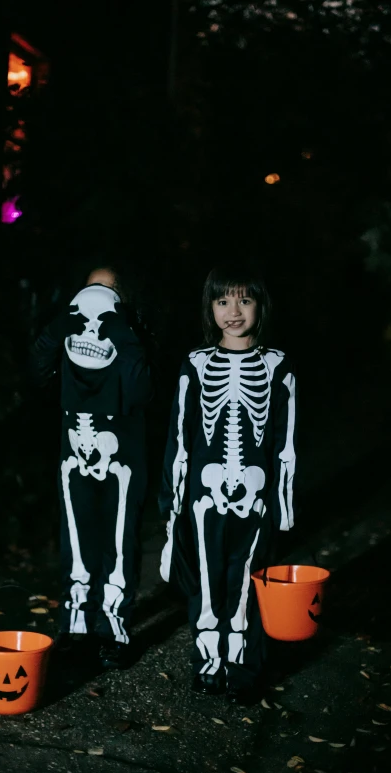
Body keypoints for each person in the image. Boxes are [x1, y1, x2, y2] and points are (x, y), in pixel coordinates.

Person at [158, 265, 296, 704]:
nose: (233, 311)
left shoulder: (277, 366)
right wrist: (171, 505)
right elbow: (179, 438)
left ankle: (243, 668)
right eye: (222, 301)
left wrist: (284, 507)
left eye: (244, 300)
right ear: (210, 308)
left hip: (257, 500)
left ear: (260, 305)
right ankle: (208, 664)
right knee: (206, 580)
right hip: (203, 497)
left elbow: (285, 440)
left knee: (247, 580)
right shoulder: (196, 364)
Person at [29, 265, 152, 670]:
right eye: (89, 294)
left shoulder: (129, 343)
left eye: (107, 295)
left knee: (119, 543)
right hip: (73, 455)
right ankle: (76, 625)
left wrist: (121, 333)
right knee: (76, 542)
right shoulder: (69, 346)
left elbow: (140, 387)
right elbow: (37, 369)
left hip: (122, 460)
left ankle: (113, 629)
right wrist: (59, 328)